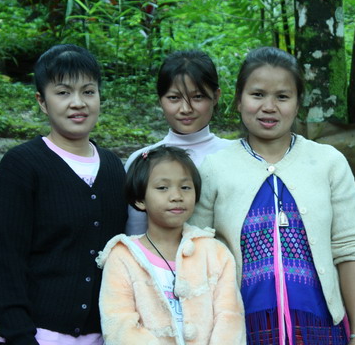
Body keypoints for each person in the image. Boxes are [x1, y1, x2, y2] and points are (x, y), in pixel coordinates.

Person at [190, 47, 355, 345]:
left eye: (282, 96)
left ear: (298, 103)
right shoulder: (214, 168)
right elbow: (196, 255)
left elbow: (349, 250)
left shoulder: (328, 163)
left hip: (320, 327)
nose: (269, 107)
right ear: (238, 100)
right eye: (257, 94)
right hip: (239, 331)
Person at [0, 44, 127, 344]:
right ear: (42, 101)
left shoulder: (114, 167)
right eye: (63, 93)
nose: (78, 103)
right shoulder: (21, 166)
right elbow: (5, 260)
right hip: (34, 333)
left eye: (88, 91)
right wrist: (19, 335)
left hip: (101, 335)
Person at [97, 145, 246, 345]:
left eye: (185, 187)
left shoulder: (215, 253)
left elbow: (229, 318)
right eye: (162, 188)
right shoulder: (123, 257)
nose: (176, 196)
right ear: (140, 199)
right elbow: (119, 326)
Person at [125, 50, 232, 235]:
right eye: (174, 98)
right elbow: (136, 234)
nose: (185, 109)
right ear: (160, 99)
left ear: (216, 96)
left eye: (197, 97)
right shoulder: (143, 160)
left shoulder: (236, 155)